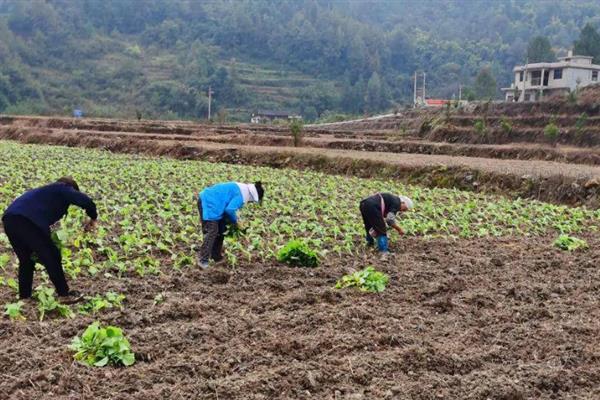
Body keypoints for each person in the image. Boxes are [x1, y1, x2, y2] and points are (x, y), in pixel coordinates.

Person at [2, 177, 97, 302]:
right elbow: (85, 200)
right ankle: (64, 294)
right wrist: (93, 217)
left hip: (9, 220)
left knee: (27, 260)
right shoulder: (63, 188)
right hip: (27, 221)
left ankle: (24, 297)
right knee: (52, 255)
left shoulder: (45, 192)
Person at [197, 181, 264, 268]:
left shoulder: (243, 189)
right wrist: (236, 222)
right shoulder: (242, 194)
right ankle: (203, 260)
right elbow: (230, 210)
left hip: (214, 203)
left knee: (221, 230)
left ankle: (216, 256)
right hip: (210, 203)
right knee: (212, 231)